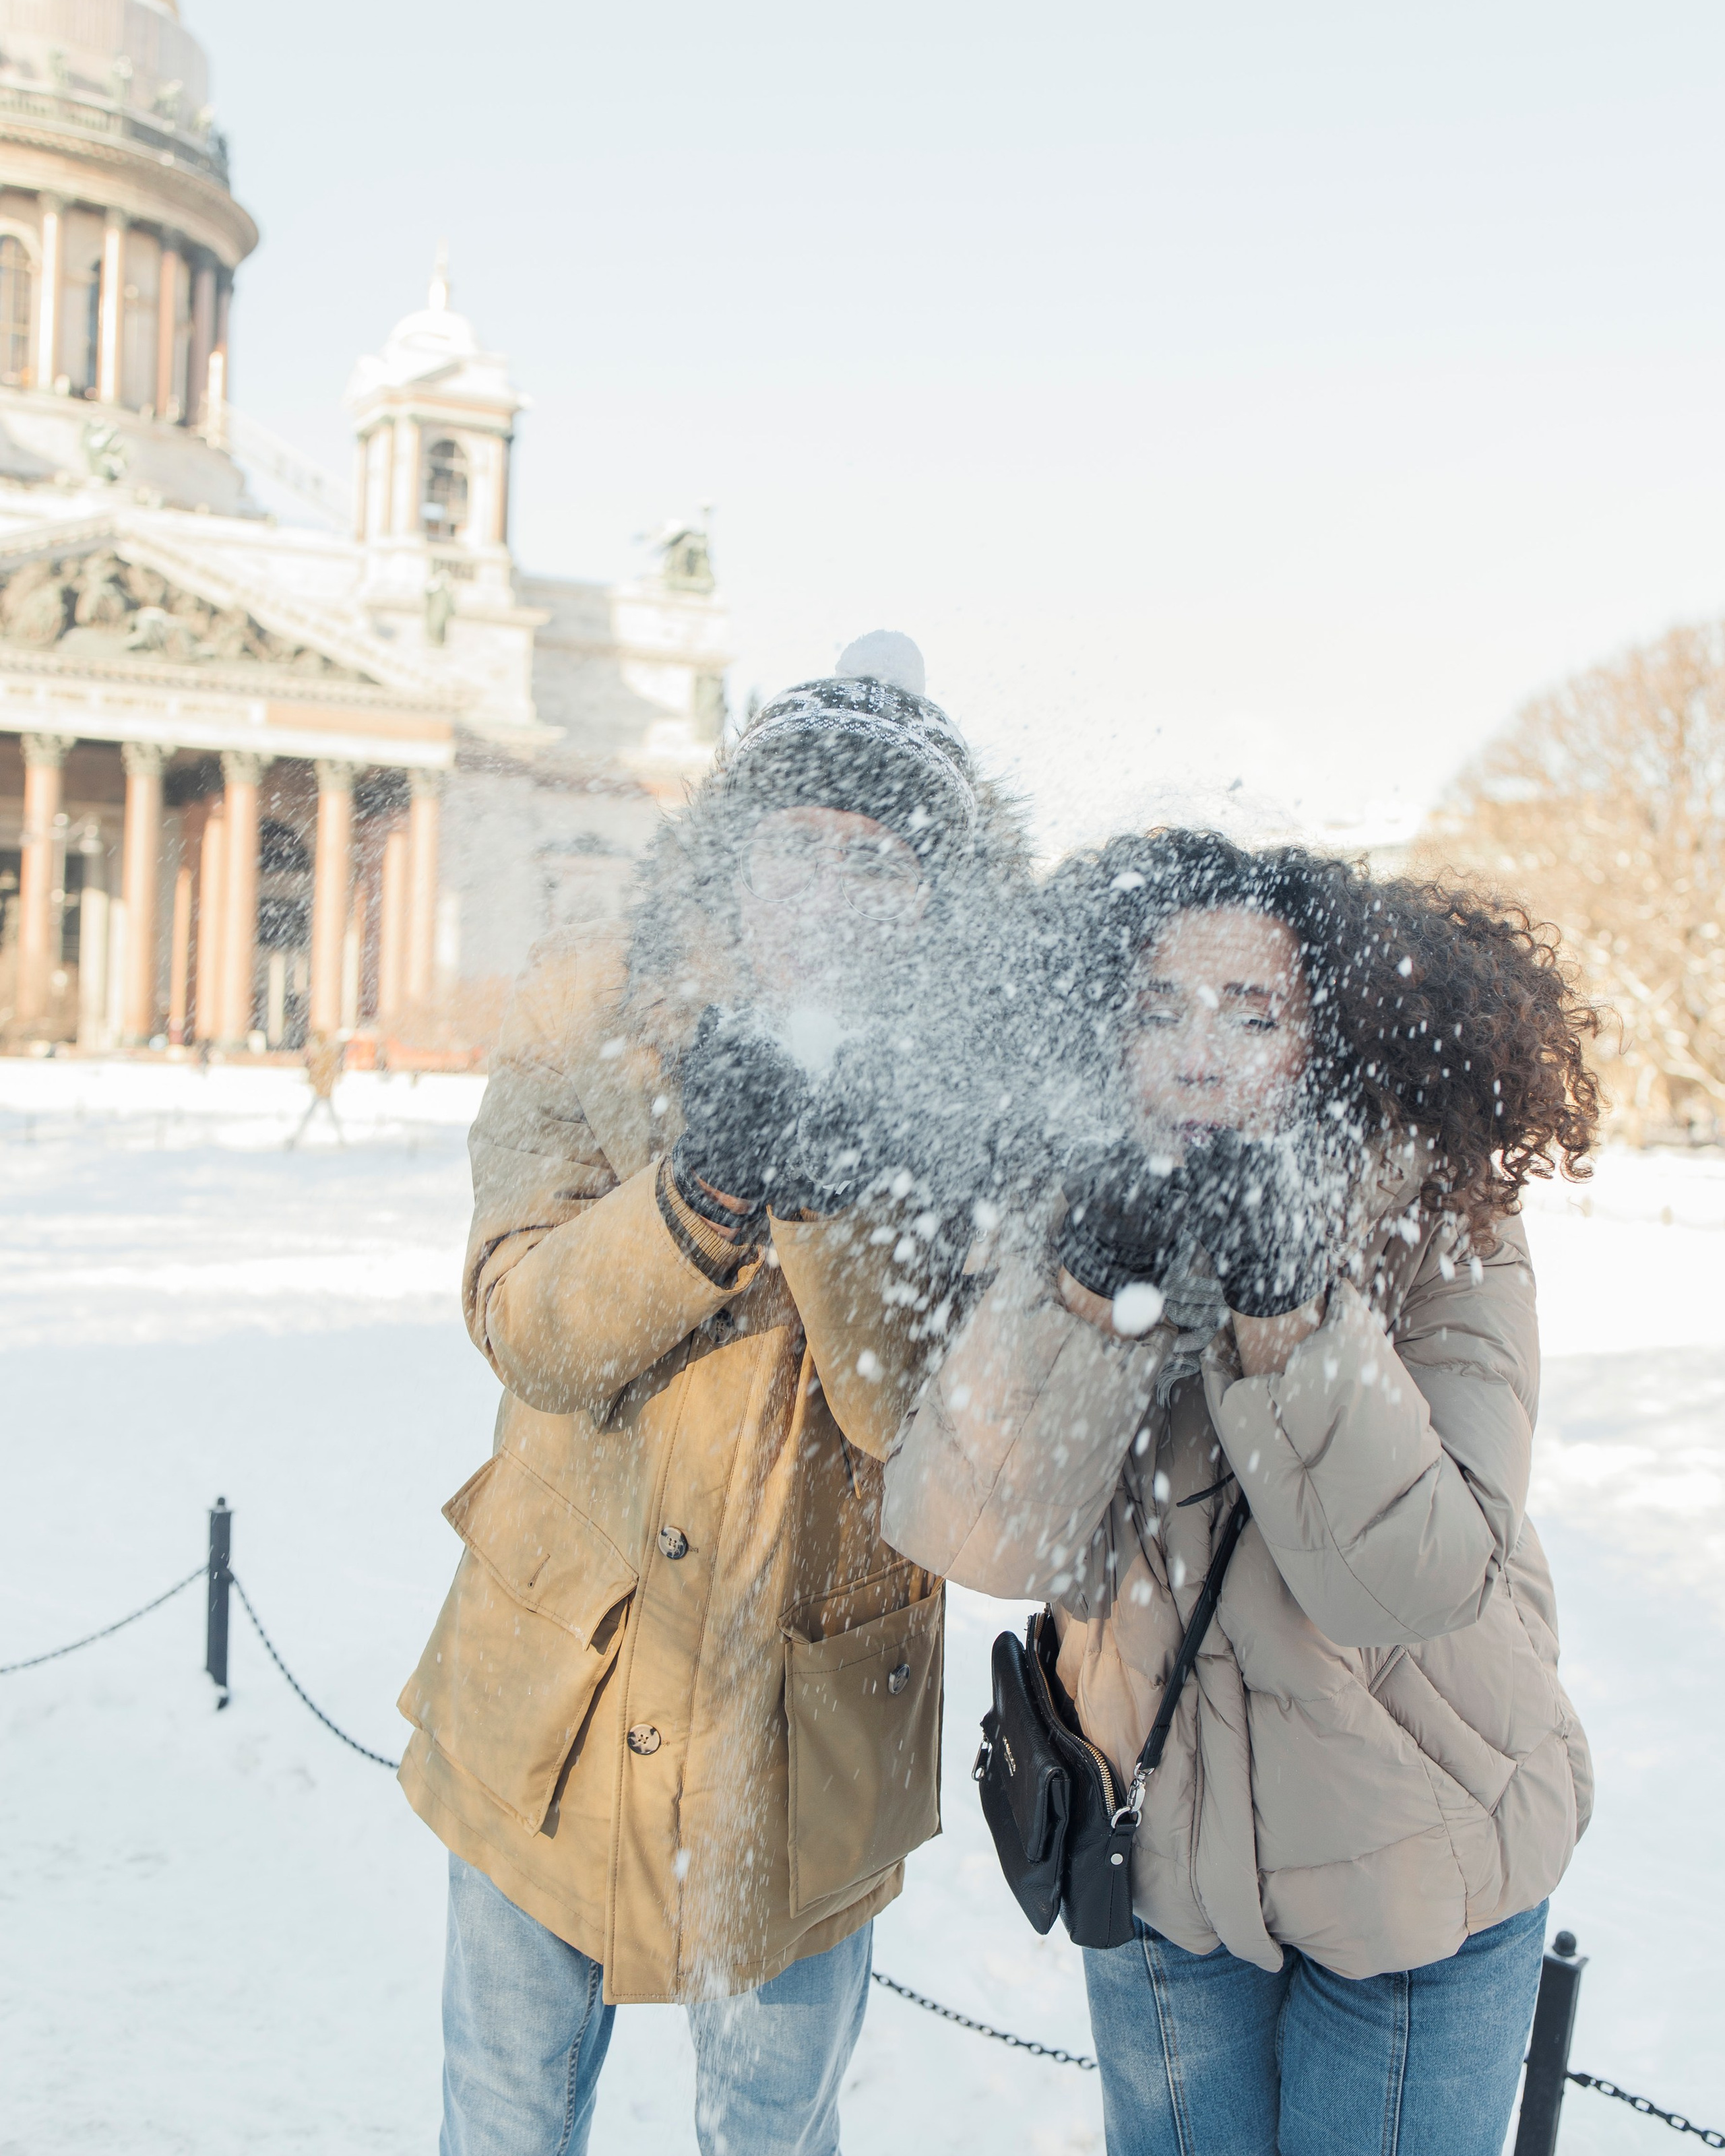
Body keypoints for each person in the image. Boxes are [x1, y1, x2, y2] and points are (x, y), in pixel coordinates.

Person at [397, 633, 1029, 2156]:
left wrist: (825, 1199)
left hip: (801, 1731)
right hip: (556, 1682)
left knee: (770, 2129)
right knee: (504, 2111)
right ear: (731, 853)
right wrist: (692, 1195)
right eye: (797, 843)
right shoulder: (587, 1004)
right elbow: (524, 1321)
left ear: (940, 901)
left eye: (878, 863)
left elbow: (934, 1427)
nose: (827, 886)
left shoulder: (987, 1088)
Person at [881, 828, 1601, 2156]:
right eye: (1159, 1008)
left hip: (1421, 1877)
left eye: (1249, 1009)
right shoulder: (1062, 1214)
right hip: (1162, 1874)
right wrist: (1087, 1298)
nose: (1200, 1049)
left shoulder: (1438, 1216)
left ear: (1326, 1032)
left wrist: (1285, 1314)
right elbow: (964, 1527)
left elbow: (1415, 1577)